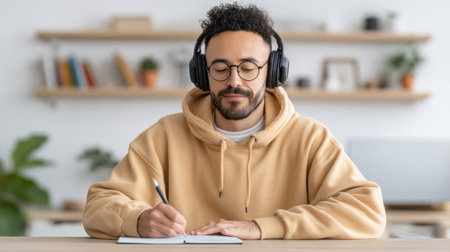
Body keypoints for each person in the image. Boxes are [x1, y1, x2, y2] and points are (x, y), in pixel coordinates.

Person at [83, 3, 386, 240]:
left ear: (273, 72)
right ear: (202, 74)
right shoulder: (163, 136)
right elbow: (98, 206)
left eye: (248, 67)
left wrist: (260, 227)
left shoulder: (310, 138)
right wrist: (138, 220)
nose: (234, 80)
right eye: (220, 68)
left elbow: (367, 212)